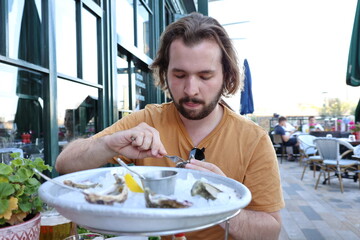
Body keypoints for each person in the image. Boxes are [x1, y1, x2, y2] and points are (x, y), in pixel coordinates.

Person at [56, 12, 284, 240]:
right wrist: (107, 145)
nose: (190, 89)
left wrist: (223, 200)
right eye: (180, 75)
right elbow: (64, 164)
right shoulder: (146, 120)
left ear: (226, 76)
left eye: (205, 76)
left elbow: (270, 230)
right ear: (165, 73)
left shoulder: (253, 140)